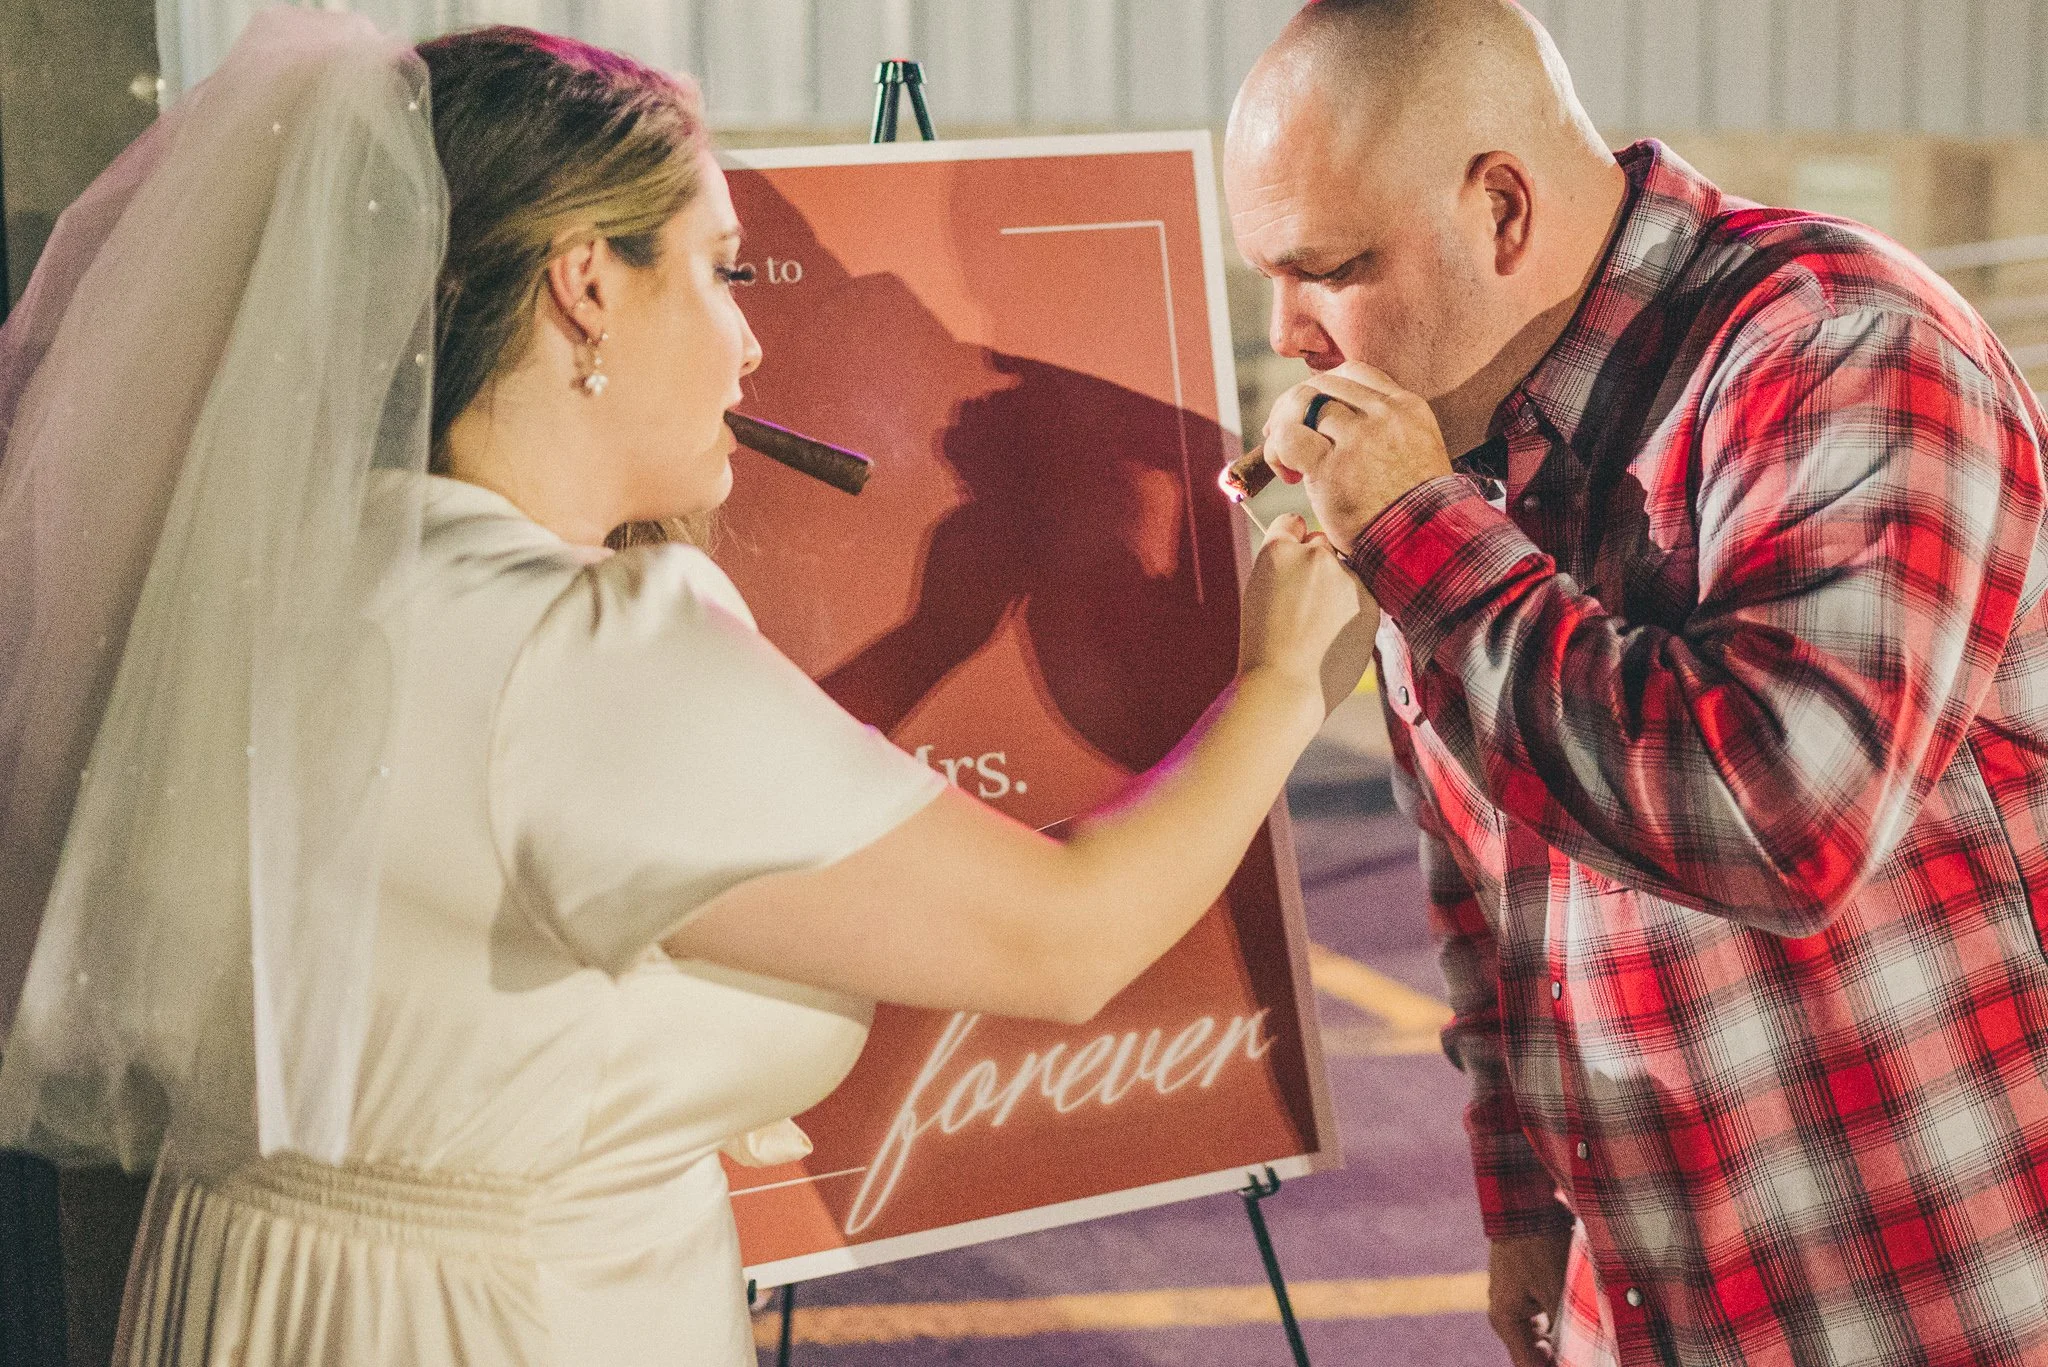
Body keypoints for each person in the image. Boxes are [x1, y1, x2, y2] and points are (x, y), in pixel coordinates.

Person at [0, 12, 1375, 1367]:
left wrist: (929, 640)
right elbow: (1065, 939)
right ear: (585, 287)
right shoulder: (591, 646)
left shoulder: (276, 583)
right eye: (721, 272)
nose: (751, 344)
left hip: (248, 1296)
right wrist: (1280, 679)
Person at [1225, 1, 2048, 1364]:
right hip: (1656, 1297)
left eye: (1330, 270)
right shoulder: (1449, 451)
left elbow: (1783, 817)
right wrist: (1522, 1197)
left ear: (1501, 208)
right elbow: (1483, 894)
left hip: (1946, 1293)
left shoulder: (1835, 339)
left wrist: (1420, 532)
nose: (1290, 335)